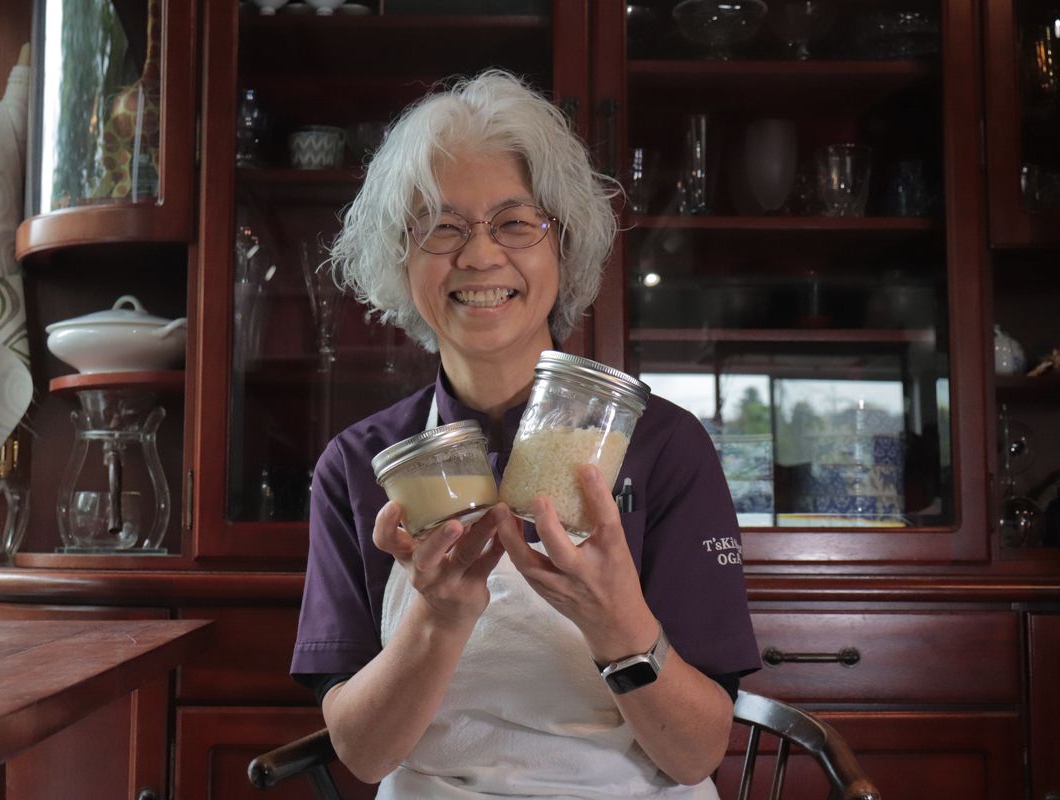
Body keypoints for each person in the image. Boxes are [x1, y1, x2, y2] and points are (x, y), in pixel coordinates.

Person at [291, 69, 760, 799]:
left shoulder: (664, 446)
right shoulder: (360, 464)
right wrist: (439, 619)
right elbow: (364, 754)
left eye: (515, 223)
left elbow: (696, 753)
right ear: (400, 259)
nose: (479, 256)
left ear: (564, 248)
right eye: (440, 225)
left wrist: (617, 623)